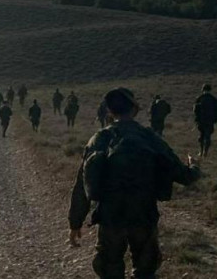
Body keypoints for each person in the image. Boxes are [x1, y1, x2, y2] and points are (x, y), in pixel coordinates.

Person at [68, 88, 200, 279]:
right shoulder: (149, 137)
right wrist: (194, 166)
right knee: (145, 270)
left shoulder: (100, 138)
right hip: (144, 215)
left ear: (110, 112)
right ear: (134, 109)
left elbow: (82, 183)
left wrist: (75, 223)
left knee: (109, 268)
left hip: (110, 217)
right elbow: (183, 175)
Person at [193, 84, 217, 157]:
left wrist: (197, 119)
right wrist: (215, 118)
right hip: (209, 121)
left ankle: (201, 152)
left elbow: (195, 110)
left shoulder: (200, 98)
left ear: (203, 90)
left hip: (201, 121)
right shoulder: (213, 99)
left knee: (201, 136)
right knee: (207, 136)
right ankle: (205, 152)